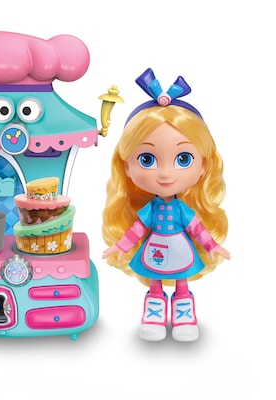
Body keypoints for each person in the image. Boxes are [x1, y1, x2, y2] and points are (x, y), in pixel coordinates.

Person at [102, 68, 230, 342]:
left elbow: (197, 229)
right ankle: (154, 312)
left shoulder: (182, 210)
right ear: (126, 166)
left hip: (180, 248)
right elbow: (137, 230)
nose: (165, 174)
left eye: (183, 159)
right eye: (147, 159)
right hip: (156, 248)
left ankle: (184, 312)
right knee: (155, 282)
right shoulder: (150, 209)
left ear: (203, 165)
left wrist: (212, 246)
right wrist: (119, 246)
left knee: (182, 282)